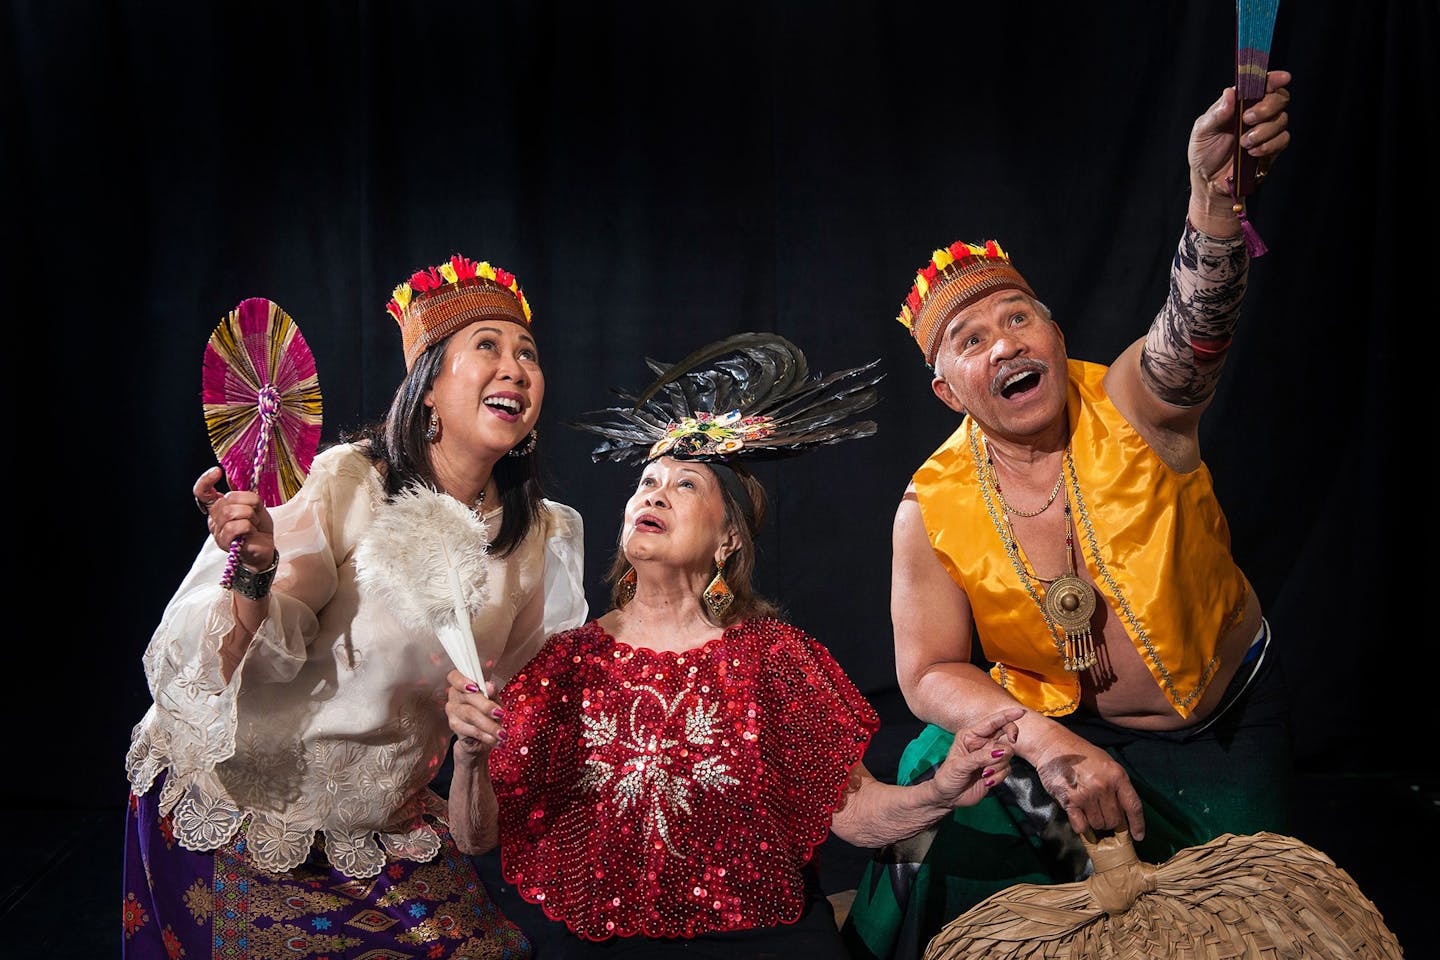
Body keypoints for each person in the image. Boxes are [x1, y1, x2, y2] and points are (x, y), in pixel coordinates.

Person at [841, 72, 1297, 960]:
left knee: (1254, 930)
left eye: (1020, 318)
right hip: (1067, 738)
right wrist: (1045, 742)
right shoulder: (928, 504)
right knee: (936, 756)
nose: (1004, 342)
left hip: (1223, 729)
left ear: (1053, 337)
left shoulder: (1134, 403)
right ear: (946, 391)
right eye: (971, 341)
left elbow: (1196, 329)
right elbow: (930, 668)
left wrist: (1211, 203)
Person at [443, 333, 1026, 957]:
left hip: (757, 938)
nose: (654, 494)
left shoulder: (774, 659)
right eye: (646, 482)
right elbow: (477, 837)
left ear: (728, 541)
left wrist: (939, 792)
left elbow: (853, 816)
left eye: (686, 485)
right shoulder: (564, 666)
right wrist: (472, 758)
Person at [122, 255, 587, 959]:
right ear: (427, 388)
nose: (515, 368)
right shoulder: (355, 482)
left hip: (383, 826)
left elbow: (515, 714)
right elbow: (235, 660)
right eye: (486, 347)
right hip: (241, 812)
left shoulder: (542, 537)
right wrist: (253, 569)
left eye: (527, 353)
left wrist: (475, 744)